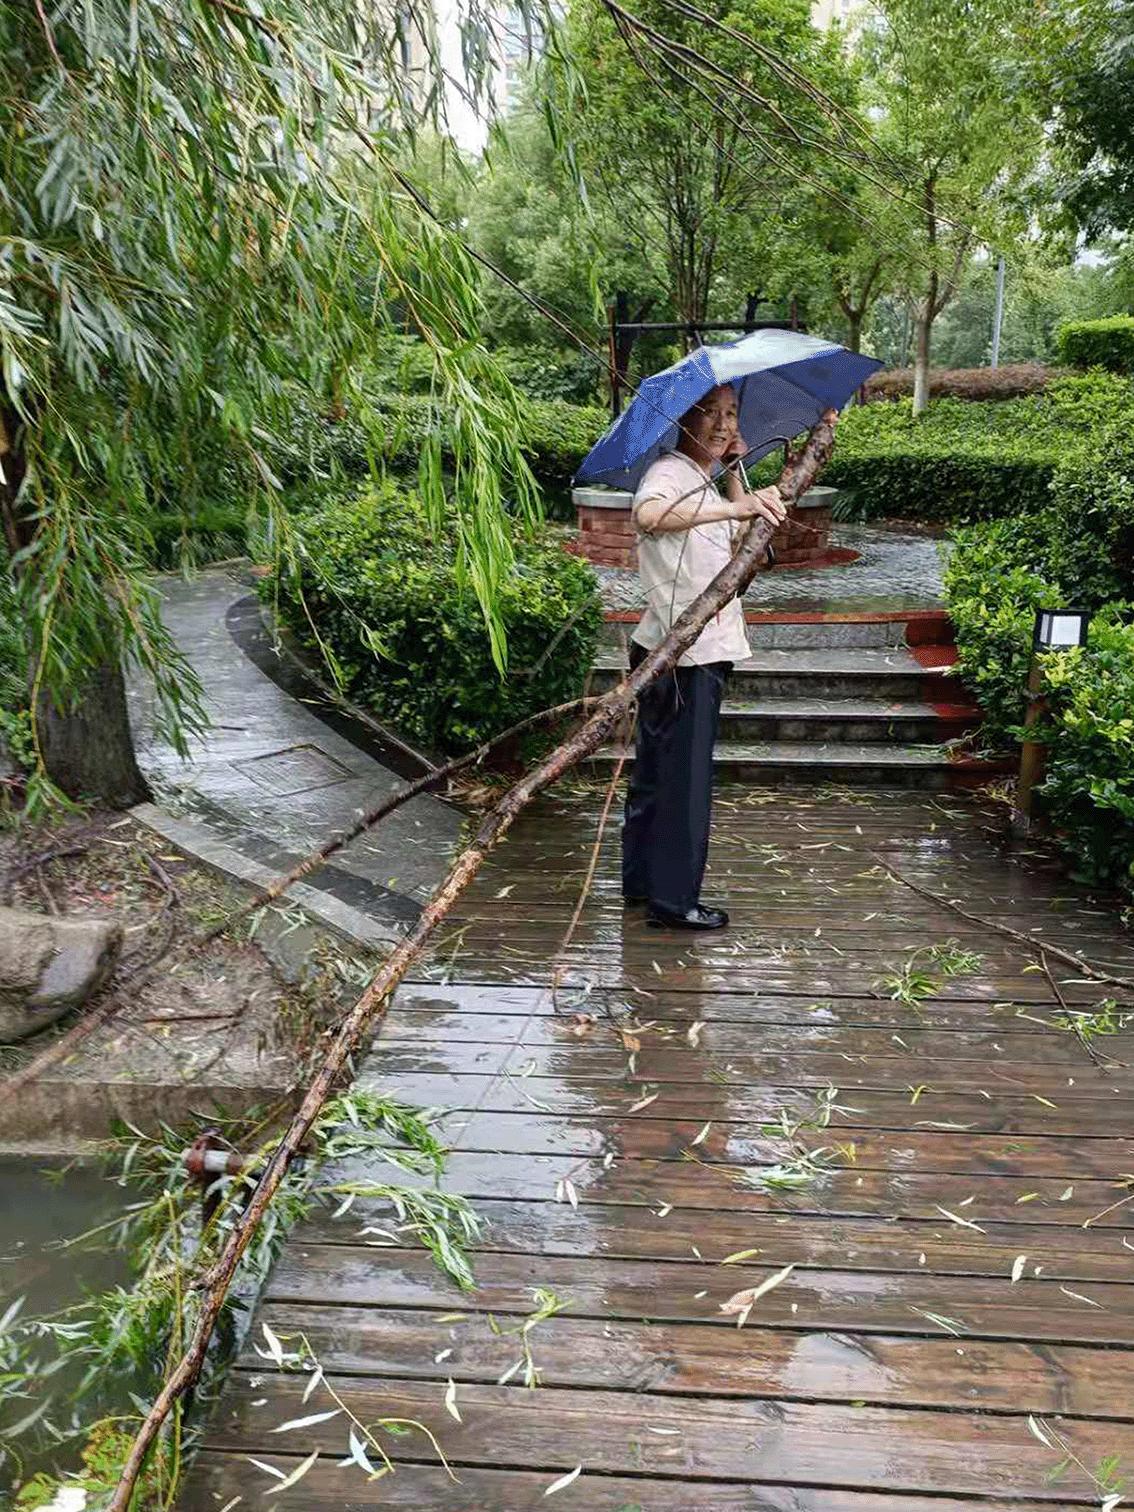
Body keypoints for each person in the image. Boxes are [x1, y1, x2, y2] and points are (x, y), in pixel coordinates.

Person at [621, 383, 786, 931]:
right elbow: (650, 515)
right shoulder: (669, 472)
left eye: (731, 413)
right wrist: (733, 505)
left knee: (654, 773)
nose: (722, 423)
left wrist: (738, 475)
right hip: (686, 653)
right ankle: (673, 903)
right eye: (708, 412)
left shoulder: (709, 477)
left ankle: (643, 883)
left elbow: (744, 549)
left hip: (673, 647)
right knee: (683, 783)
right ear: (683, 418)